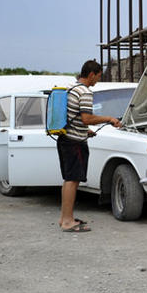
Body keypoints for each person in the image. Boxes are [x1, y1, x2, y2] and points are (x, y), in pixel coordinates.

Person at [57, 60, 121, 232]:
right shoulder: (85, 92)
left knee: (68, 179)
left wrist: (86, 131)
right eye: (98, 77)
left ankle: (64, 218)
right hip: (74, 143)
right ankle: (69, 222)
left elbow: (74, 117)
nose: (97, 81)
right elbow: (86, 118)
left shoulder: (72, 88)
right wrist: (109, 118)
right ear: (91, 74)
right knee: (73, 180)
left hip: (65, 138)